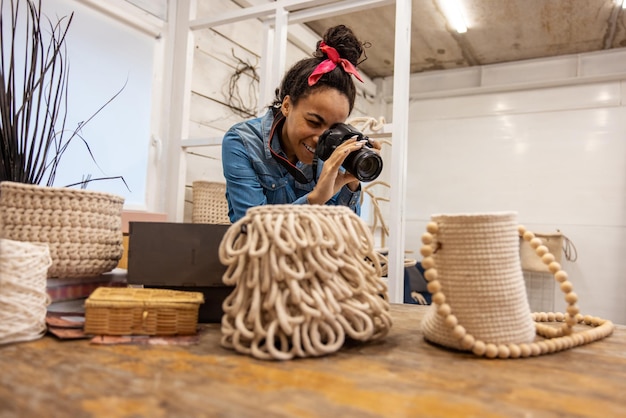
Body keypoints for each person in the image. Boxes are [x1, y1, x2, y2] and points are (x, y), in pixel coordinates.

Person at [222, 25, 380, 223]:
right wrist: (315, 200)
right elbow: (251, 230)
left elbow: (344, 231)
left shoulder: (334, 147)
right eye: (313, 122)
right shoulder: (243, 142)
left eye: (334, 129)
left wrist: (351, 180)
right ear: (287, 105)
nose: (319, 139)